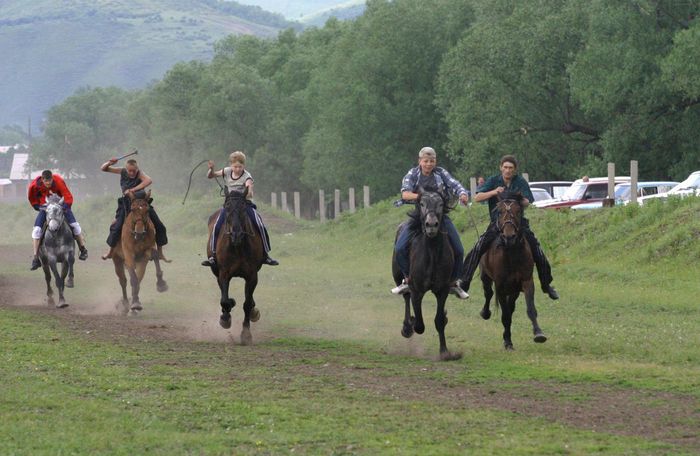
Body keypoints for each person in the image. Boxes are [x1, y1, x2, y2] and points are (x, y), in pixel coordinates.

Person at [461, 155, 559, 300]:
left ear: (515, 170)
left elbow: (528, 202)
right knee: (478, 247)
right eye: (505, 167)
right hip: (497, 224)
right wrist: (494, 192)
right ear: (501, 168)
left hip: (519, 225)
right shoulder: (494, 180)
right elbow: (477, 197)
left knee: (537, 250)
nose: (507, 170)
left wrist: (518, 198)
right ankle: (464, 282)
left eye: (510, 168)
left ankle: (546, 285)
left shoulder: (520, 181)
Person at [391, 146, 469, 299]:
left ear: (435, 162)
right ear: (420, 161)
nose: (428, 164)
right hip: (419, 216)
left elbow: (455, 184)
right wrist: (422, 197)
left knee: (459, 249)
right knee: (400, 248)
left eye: (431, 161)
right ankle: (407, 279)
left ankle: (453, 282)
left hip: (440, 215)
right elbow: (405, 193)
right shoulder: (412, 174)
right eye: (425, 161)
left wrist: (463, 193)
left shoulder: (441, 173)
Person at [201, 151, 279, 267]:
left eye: (240, 167)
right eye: (235, 166)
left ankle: (265, 254)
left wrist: (243, 193)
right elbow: (210, 176)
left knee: (260, 225)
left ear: (244, 166)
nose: (237, 169)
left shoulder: (247, 176)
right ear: (231, 165)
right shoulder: (227, 171)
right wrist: (211, 169)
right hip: (230, 207)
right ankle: (212, 255)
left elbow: (250, 193)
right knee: (217, 225)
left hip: (245, 205)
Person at [100, 157, 168, 260]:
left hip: (142, 203)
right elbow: (104, 169)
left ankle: (160, 253)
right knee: (116, 227)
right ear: (126, 169)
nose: (132, 173)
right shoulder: (122, 171)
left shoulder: (139, 173)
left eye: (134, 170)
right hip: (127, 203)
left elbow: (148, 180)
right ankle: (110, 251)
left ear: (137, 169)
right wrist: (110, 162)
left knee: (160, 226)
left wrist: (132, 189)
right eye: (129, 170)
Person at [28, 170, 88, 270]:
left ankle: (83, 249)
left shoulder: (58, 180)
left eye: (50, 182)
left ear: (52, 179)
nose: (48, 184)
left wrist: (64, 207)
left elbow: (68, 196)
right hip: (46, 207)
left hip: (61, 206)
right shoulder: (33, 185)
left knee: (75, 226)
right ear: (42, 179)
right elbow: (32, 198)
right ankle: (35, 259)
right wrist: (38, 207)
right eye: (46, 182)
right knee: (36, 231)